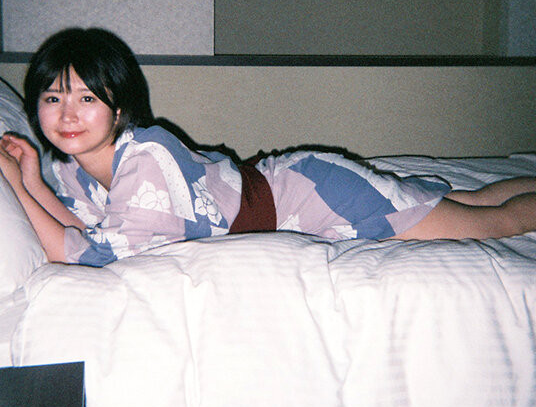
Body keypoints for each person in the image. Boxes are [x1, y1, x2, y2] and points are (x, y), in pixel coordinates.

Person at [1, 27, 536, 267]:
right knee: (472, 201)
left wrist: (17, 186)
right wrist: (30, 181)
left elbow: (89, 255)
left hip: (315, 195)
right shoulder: (69, 169)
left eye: (87, 97)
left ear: (119, 107)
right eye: (52, 97)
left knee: (492, 223)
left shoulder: (146, 158)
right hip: (289, 183)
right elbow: (80, 228)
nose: (67, 114)